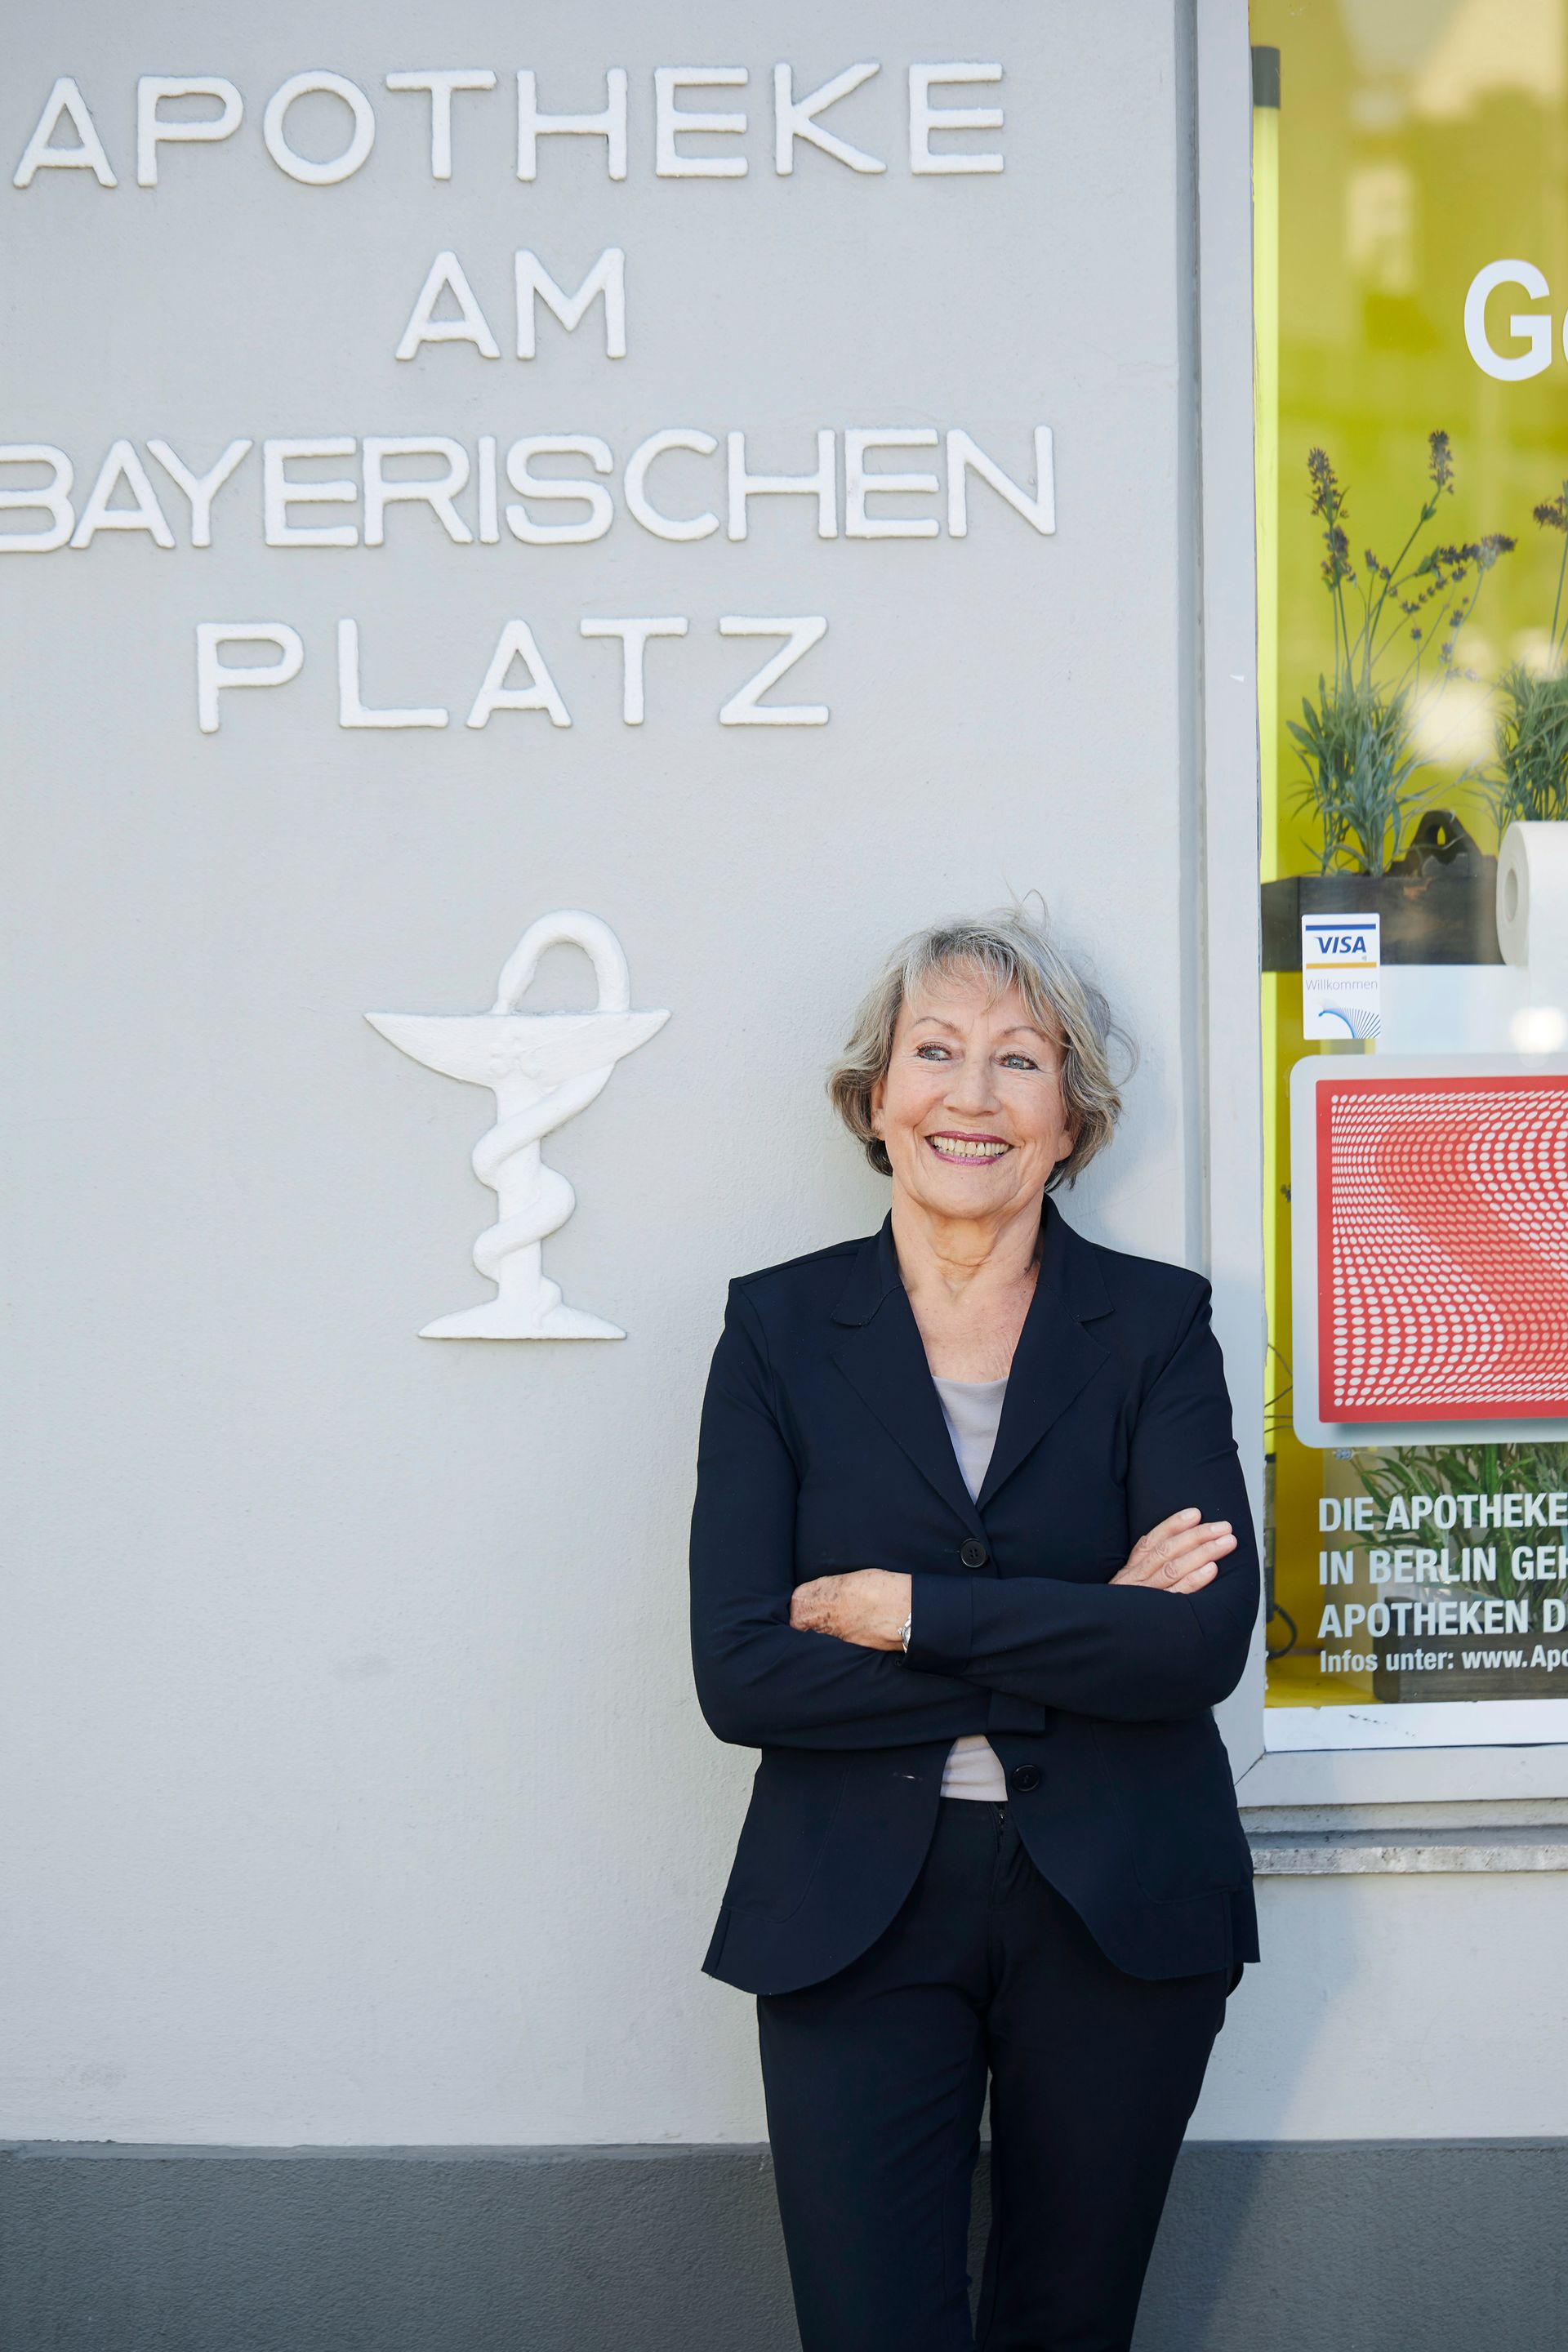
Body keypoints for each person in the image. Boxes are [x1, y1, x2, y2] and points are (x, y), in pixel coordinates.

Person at [688, 909, 1258, 2352]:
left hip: (1120, 1906)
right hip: (853, 1912)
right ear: (876, 1098)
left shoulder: (1155, 1328)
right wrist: (1080, 1635)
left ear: (1073, 1117)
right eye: (934, 1052)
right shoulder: (774, 1330)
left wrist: (908, 1615)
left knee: (1068, 2324)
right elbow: (742, 1670)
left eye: (1021, 1060)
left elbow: (1194, 1651)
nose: (974, 1094)